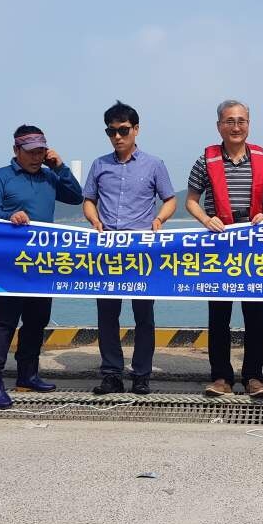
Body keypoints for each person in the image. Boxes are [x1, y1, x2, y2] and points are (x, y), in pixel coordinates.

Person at [0, 125, 84, 409]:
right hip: (12, 263)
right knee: (5, 321)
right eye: (31, 152)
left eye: (41, 151)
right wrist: (9, 214)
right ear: (16, 151)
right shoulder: (1, 177)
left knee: (37, 320)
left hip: (43, 262)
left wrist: (61, 167)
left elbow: (77, 197)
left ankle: (28, 374)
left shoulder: (50, 175)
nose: (37, 157)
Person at [186, 100, 263, 398]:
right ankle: (221, 377)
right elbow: (191, 200)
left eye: (241, 120)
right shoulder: (206, 160)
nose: (236, 126)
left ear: (249, 124)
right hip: (219, 244)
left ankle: (254, 376)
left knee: (255, 313)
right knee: (219, 314)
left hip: (253, 244)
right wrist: (205, 219)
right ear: (219, 126)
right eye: (229, 121)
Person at [83, 101, 177, 395]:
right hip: (108, 249)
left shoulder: (154, 164)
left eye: (123, 130)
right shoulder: (99, 165)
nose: (118, 137)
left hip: (141, 251)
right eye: (111, 131)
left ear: (136, 129)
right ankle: (111, 373)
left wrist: (160, 219)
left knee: (143, 315)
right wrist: (94, 220)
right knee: (107, 315)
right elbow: (88, 199)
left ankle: (141, 374)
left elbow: (170, 198)